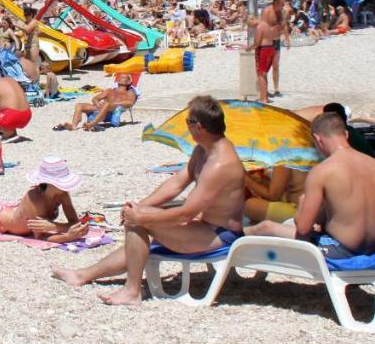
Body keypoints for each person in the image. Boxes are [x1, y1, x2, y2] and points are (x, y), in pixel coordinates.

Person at [54, 95, 246, 305]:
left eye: (188, 122)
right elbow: (176, 184)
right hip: (205, 227)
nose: (186, 126)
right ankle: (83, 275)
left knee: (138, 220)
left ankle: (132, 291)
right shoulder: (204, 150)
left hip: (220, 236)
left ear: (198, 126)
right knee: (137, 216)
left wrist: (141, 215)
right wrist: (140, 205)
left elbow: (187, 213)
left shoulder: (220, 164)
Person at [245, 113, 375, 255]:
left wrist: (302, 206)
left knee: (266, 227)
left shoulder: (322, 171)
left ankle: (229, 243)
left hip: (342, 250)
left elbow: (303, 229)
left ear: (318, 139)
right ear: (346, 134)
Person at [242, 0, 285, 103]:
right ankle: (265, 94)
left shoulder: (261, 26)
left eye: (249, 23)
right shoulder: (267, 13)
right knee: (265, 71)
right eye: (281, 4)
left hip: (266, 47)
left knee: (262, 73)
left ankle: (264, 97)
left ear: (252, 20)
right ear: (275, 3)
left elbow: (257, 42)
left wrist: (249, 48)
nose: (249, 26)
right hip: (270, 45)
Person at [54, 76, 137, 131]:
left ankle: (92, 124)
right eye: (121, 76)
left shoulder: (130, 93)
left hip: (113, 110)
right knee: (79, 105)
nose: (122, 77)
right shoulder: (109, 91)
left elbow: (130, 102)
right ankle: (74, 126)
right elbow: (95, 98)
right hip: (101, 108)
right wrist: (97, 103)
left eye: (125, 77)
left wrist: (114, 104)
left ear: (129, 82)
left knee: (107, 104)